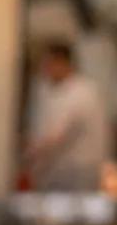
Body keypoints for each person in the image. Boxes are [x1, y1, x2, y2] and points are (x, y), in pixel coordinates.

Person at [24, 42, 110, 192]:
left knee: (73, 212)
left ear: (62, 63)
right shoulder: (51, 90)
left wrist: (29, 153)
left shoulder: (81, 92)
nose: (45, 70)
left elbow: (57, 135)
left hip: (77, 170)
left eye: (49, 64)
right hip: (58, 169)